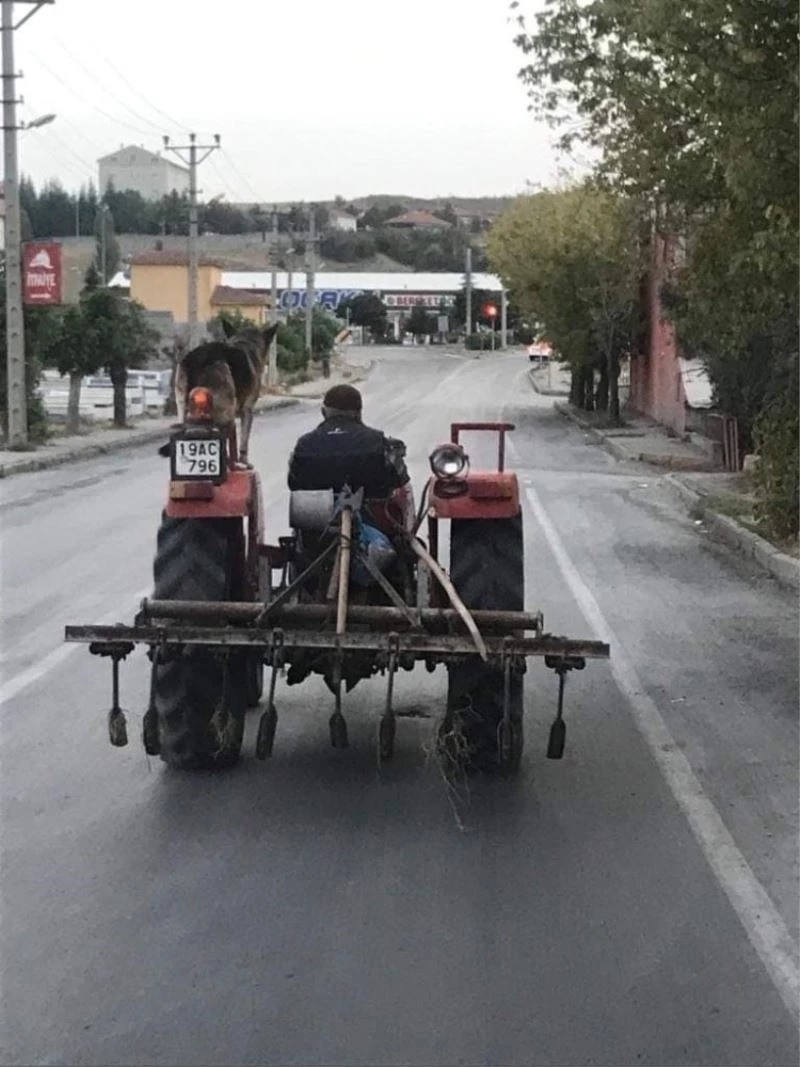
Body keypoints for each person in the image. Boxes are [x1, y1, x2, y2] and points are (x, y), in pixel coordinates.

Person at [287, 384, 411, 506]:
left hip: (315, 518)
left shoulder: (305, 443)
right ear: (359, 413)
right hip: (371, 517)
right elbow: (399, 479)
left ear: (323, 412)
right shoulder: (376, 440)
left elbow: (294, 484)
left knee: (304, 511)